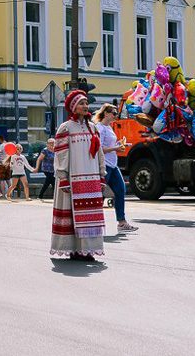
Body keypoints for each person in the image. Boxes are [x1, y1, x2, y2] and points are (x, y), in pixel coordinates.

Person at [51, 90, 106, 261]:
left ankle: (88, 250)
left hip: (91, 178)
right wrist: (63, 178)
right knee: (71, 214)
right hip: (73, 177)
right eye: (81, 103)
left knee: (89, 215)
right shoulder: (66, 128)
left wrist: (101, 175)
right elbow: (61, 154)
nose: (85, 106)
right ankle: (74, 249)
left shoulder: (93, 127)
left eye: (86, 103)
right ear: (73, 107)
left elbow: (99, 153)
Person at [95, 103, 137, 233]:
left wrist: (119, 145)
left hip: (113, 164)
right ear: (106, 113)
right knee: (99, 194)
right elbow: (99, 148)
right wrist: (115, 148)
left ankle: (122, 222)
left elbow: (109, 146)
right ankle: (94, 221)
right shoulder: (100, 128)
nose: (116, 116)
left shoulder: (109, 127)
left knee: (120, 190)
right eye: (114, 113)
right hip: (105, 164)